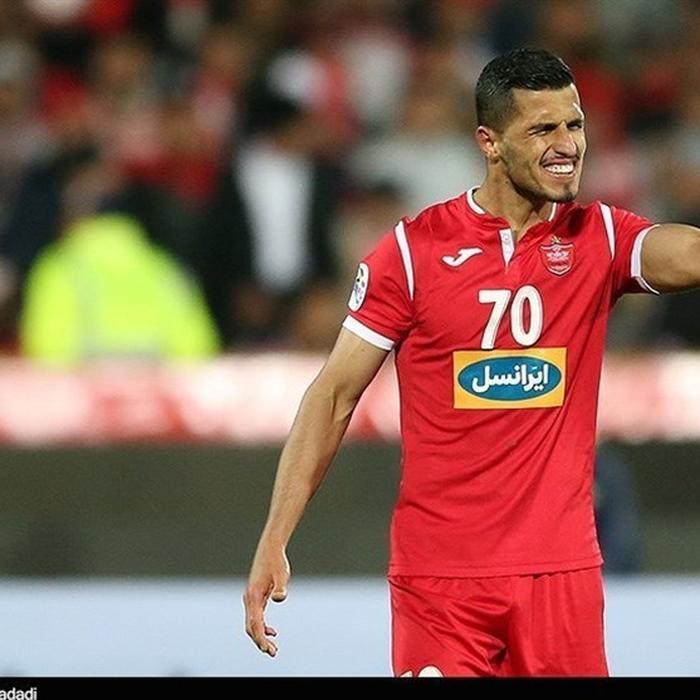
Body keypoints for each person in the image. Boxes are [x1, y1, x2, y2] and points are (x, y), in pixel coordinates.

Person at [243, 48, 700, 677]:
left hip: (560, 576)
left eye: (575, 124)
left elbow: (686, 254)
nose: (567, 145)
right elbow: (332, 397)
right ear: (490, 143)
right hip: (441, 587)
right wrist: (275, 534)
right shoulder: (413, 252)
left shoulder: (598, 237)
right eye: (543, 129)